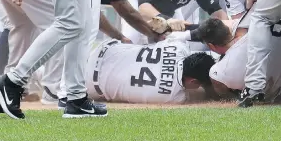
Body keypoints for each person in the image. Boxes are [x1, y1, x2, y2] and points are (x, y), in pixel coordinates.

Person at [198, 17, 281, 101]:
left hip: (268, 92)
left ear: (211, 46)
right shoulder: (256, 21)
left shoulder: (222, 69)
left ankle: (237, 102)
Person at [86, 39, 215, 104]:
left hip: (100, 49)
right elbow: (202, 95)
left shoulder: (178, 47)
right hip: (90, 85)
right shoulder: (175, 97)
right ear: (193, 81)